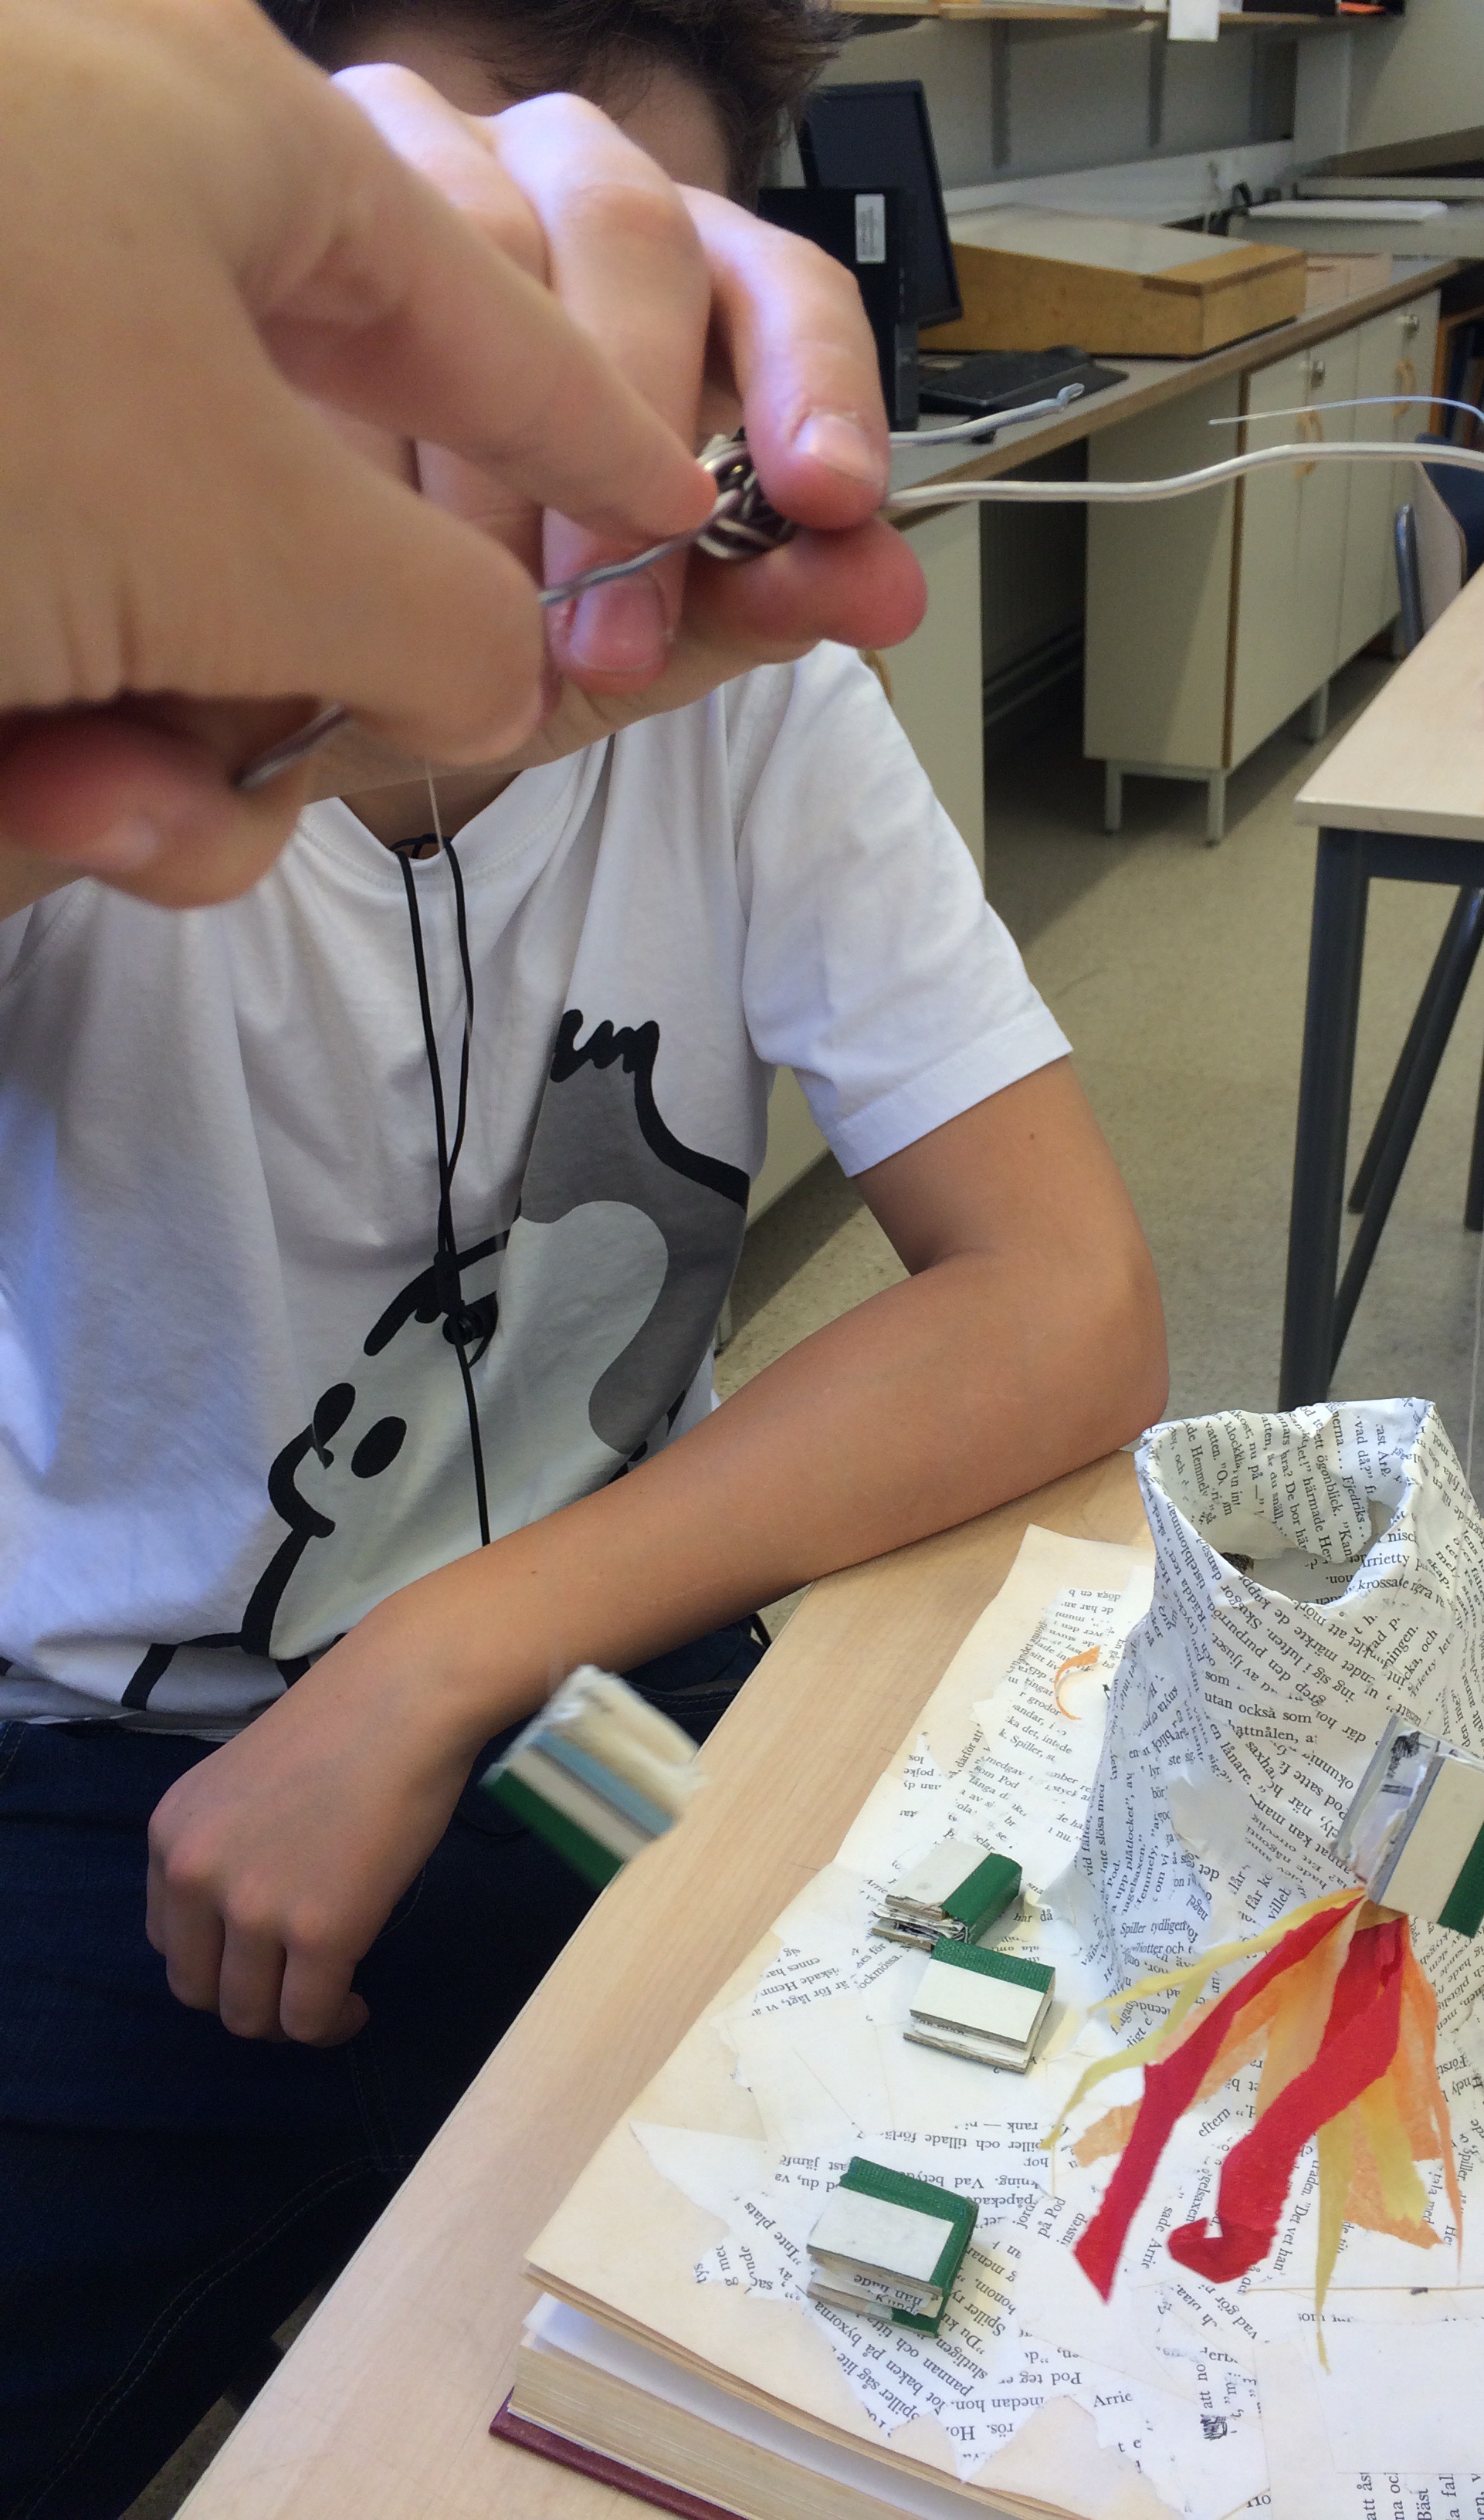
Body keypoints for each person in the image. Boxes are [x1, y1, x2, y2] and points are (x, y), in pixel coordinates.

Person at [0, 4, 1167, 2512]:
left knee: (933, 2321)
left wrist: (439, 1652)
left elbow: (1060, 1292)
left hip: (604, 1679)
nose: (514, 446)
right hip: (100, 1777)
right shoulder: (93, 680)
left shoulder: (730, 686)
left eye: (621, 338)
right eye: (431, 310)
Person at [0, 0, 918, 913]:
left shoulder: (762, 690)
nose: (522, 438)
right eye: (423, 298)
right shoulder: (77, 662)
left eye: (639, 290)